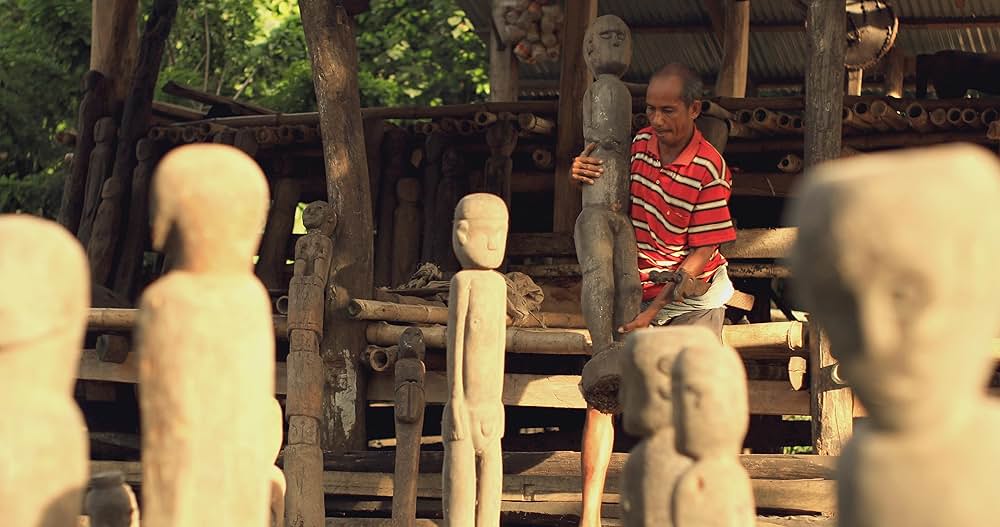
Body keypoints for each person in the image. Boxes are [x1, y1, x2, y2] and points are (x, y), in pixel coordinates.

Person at [569, 62, 737, 527]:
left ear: (694, 109)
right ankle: (589, 517)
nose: (656, 120)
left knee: (686, 400)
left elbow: (703, 251)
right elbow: (601, 194)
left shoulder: (709, 169)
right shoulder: (639, 145)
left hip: (690, 293)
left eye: (668, 110)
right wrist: (579, 172)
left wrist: (654, 312)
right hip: (637, 281)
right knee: (603, 389)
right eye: (650, 109)